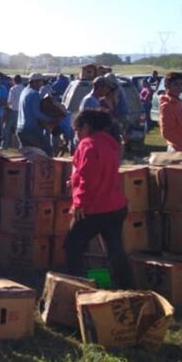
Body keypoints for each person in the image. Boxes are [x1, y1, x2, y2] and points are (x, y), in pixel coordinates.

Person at [64, 110, 133, 288]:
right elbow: (97, 172)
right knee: (114, 249)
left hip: (95, 208)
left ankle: (76, 286)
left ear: (86, 127)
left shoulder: (88, 145)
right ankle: (127, 286)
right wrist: (74, 181)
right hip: (116, 206)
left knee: (72, 246)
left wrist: (79, 204)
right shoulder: (111, 143)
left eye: (77, 129)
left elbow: (88, 178)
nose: (76, 134)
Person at [16, 74, 54, 155]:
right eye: (41, 82)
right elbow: (36, 113)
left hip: (20, 129)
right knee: (47, 152)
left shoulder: (24, 91)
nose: (41, 85)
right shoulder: (34, 94)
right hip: (32, 130)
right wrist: (50, 119)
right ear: (35, 82)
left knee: (27, 155)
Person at [4, 74, 24, 148]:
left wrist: (6, 107)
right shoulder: (24, 89)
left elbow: (10, 101)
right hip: (21, 112)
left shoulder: (13, 89)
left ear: (14, 81)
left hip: (13, 111)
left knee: (7, 129)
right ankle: (20, 145)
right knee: (18, 130)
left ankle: (5, 145)